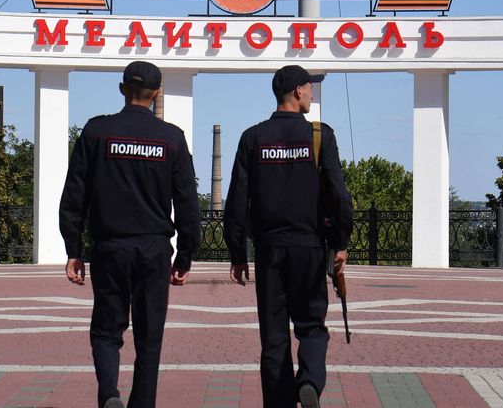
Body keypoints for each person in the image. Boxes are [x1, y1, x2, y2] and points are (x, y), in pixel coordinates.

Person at [59, 61, 201, 408]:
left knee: (107, 330)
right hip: (154, 251)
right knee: (149, 337)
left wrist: (73, 248)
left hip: (109, 248)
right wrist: (184, 256)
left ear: (122, 89)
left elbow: (75, 194)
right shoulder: (172, 138)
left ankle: (109, 393)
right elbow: (186, 204)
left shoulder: (96, 132)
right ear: (157, 94)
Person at [223, 65, 353, 408]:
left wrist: (237, 252)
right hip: (310, 248)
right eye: (309, 89)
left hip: (269, 252)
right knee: (311, 325)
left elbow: (236, 199)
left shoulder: (253, 137)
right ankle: (309, 380)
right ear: (297, 91)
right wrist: (341, 242)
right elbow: (339, 194)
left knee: (274, 338)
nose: (311, 94)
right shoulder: (320, 135)